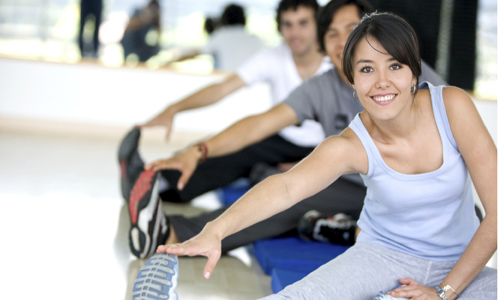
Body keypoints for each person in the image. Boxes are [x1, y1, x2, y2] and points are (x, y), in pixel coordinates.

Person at [155, 12, 497, 299]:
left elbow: (496, 215)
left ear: (413, 74)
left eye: (394, 66)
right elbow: (285, 188)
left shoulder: (452, 107)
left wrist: (444, 292)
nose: (381, 82)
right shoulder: (350, 145)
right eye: (366, 69)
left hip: (460, 262)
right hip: (382, 256)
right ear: (352, 82)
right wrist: (216, 230)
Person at [123, 0, 448, 259]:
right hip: (353, 184)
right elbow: (261, 124)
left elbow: (454, 136)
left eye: (351, 29)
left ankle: (342, 228)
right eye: (331, 34)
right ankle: (176, 233)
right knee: (285, 193)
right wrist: (198, 151)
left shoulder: (407, 72)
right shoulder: (320, 87)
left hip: (412, 186)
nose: (341, 41)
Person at [169, 4, 264, 72]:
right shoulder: (256, 39)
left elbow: (194, 53)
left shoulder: (221, 35)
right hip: (254, 88)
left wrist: (168, 61)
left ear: (224, 19)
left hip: (227, 85)